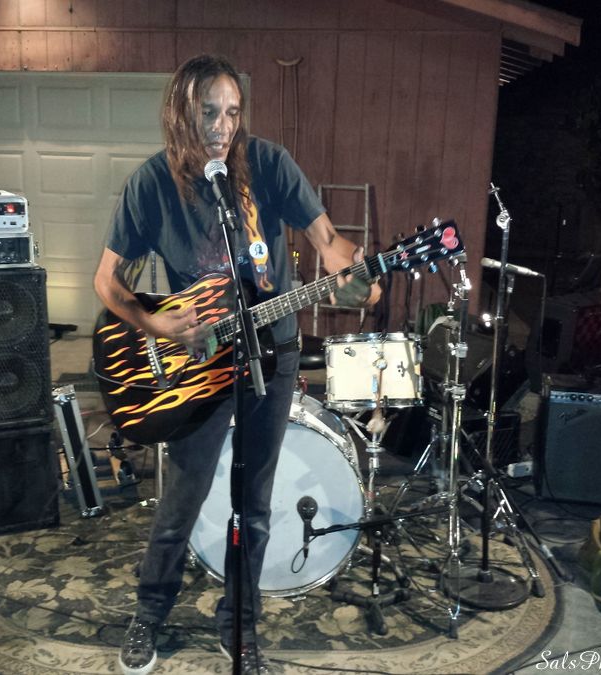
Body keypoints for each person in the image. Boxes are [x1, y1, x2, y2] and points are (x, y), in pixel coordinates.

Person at [93, 54, 381, 675]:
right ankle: (149, 613)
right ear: (181, 114)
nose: (223, 126)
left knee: (253, 504)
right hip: (194, 365)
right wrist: (156, 324)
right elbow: (106, 281)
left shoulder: (268, 166)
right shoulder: (151, 184)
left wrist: (360, 277)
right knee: (183, 497)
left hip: (271, 357)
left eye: (232, 112)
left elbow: (329, 242)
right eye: (209, 113)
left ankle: (239, 625)